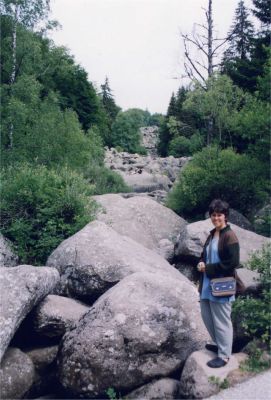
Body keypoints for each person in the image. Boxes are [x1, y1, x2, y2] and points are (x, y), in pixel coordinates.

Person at [197, 199, 240, 368]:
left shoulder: (230, 236)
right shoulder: (212, 234)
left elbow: (232, 263)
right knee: (207, 316)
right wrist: (201, 262)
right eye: (213, 215)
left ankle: (224, 356)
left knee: (221, 320)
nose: (216, 218)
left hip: (222, 284)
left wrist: (207, 268)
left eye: (219, 215)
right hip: (208, 284)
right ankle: (219, 344)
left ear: (226, 216)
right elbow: (204, 254)